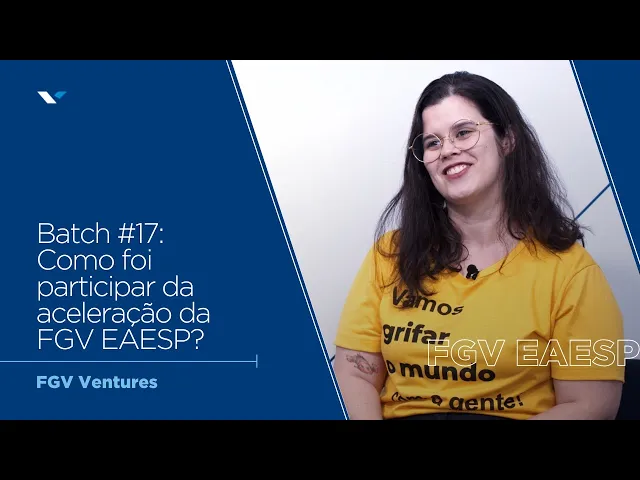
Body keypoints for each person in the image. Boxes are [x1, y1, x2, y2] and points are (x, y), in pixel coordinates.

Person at [333, 71, 625, 420]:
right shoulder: (390, 254)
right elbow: (353, 373)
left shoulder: (573, 272)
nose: (448, 150)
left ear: (507, 139)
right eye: (432, 143)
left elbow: (592, 406)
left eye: (463, 132)